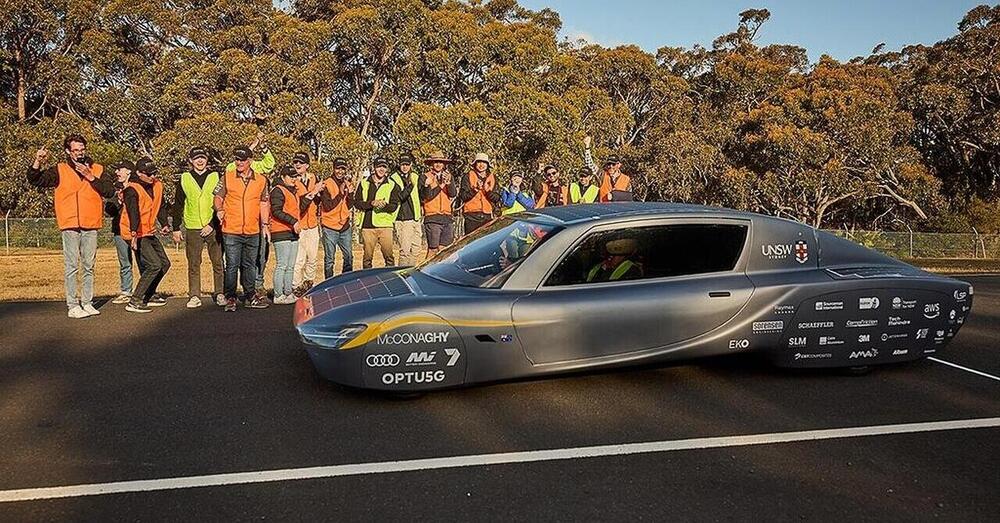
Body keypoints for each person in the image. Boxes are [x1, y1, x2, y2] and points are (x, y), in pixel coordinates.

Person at [27, 134, 115, 318]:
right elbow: (35, 179)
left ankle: (87, 302)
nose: (80, 153)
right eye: (75, 150)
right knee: (72, 265)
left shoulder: (98, 168)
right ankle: (73, 304)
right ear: (68, 151)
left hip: (91, 223)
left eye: (82, 149)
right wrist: (37, 161)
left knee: (89, 265)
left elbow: (109, 190)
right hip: (70, 223)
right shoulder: (60, 169)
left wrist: (90, 176)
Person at [214, 144, 271, 312]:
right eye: (237, 159)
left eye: (242, 159)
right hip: (231, 229)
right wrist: (219, 209)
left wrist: (265, 225)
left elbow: (263, 203)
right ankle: (230, 297)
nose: (239, 162)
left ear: (250, 161)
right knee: (232, 264)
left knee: (249, 265)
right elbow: (217, 197)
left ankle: (250, 295)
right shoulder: (227, 177)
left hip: (253, 230)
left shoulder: (261, 180)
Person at [171, 146, 226, 309]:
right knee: (194, 263)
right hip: (193, 226)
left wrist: (212, 224)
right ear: (191, 161)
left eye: (202, 158)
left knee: (218, 262)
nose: (200, 161)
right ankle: (195, 295)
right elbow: (178, 204)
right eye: (196, 158)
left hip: (213, 226)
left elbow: (221, 201)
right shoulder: (184, 178)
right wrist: (176, 227)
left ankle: (220, 293)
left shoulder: (216, 177)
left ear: (207, 160)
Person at [121, 158, 171, 313]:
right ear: (139, 173)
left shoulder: (157, 185)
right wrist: (134, 234)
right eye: (148, 174)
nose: (152, 176)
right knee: (153, 265)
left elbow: (160, 206)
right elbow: (133, 212)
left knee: (164, 263)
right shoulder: (131, 189)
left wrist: (164, 223)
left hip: (148, 230)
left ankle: (149, 294)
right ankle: (135, 300)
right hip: (134, 231)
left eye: (154, 173)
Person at [270, 165, 313, 304]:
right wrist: (293, 221)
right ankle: (278, 294)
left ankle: (288, 292)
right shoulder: (278, 190)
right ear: (283, 177)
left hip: (293, 232)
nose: (294, 179)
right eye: (291, 176)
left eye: (295, 176)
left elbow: (297, 209)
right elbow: (276, 211)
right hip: (281, 231)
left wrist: (308, 198)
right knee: (282, 264)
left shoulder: (293, 191)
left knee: (291, 265)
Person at [354, 157, 400, 269]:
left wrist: (385, 205)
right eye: (379, 166)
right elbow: (357, 203)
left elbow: (394, 205)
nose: (381, 169)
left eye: (384, 167)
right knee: (367, 258)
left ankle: (390, 278)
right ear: (374, 168)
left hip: (385, 226)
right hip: (367, 226)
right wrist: (371, 203)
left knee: (389, 257)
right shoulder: (364, 183)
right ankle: (367, 280)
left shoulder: (392, 185)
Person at [105, 161, 136, 304]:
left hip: (137, 230)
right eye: (116, 170)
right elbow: (109, 210)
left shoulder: (136, 188)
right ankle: (126, 291)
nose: (117, 172)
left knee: (145, 262)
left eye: (120, 169)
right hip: (119, 230)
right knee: (125, 262)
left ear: (128, 171)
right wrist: (118, 200)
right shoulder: (115, 188)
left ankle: (146, 291)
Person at [291, 151, 322, 295]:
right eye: (295, 162)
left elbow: (318, 200)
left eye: (301, 163)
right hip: (300, 224)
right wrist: (313, 192)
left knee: (313, 257)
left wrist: (319, 192)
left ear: (307, 165)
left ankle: (308, 283)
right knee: (299, 259)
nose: (297, 165)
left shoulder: (313, 178)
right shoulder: (292, 181)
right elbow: (300, 204)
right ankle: (296, 286)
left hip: (313, 224)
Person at [320, 157, 355, 277]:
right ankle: (328, 284)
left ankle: (346, 281)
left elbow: (349, 205)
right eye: (337, 168)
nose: (340, 171)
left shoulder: (347, 184)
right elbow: (327, 206)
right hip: (330, 227)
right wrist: (340, 193)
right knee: (330, 259)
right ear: (333, 168)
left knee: (349, 256)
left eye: (342, 169)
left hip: (345, 226)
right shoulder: (326, 184)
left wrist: (350, 194)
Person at [419, 150, 457, 259]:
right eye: (435, 162)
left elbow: (453, 194)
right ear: (431, 163)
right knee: (433, 250)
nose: (438, 164)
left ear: (444, 164)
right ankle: (425, 271)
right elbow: (426, 196)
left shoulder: (448, 176)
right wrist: (439, 186)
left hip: (447, 217)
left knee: (445, 250)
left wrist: (449, 183)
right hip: (432, 217)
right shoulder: (425, 177)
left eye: (440, 162)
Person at [389, 154, 423, 267]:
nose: (405, 167)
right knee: (405, 251)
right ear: (399, 165)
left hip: (415, 217)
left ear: (411, 165)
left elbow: (420, 194)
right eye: (403, 164)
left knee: (417, 248)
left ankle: (411, 270)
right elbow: (399, 197)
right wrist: (409, 186)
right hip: (402, 218)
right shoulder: (393, 178)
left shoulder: (415, 176)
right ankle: (403, 274)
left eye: (407, 165)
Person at [458, 152, 500, 235]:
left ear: (487, 165)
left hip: (487, 216)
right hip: (471, 216)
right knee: (471, 243)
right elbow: (463, 196)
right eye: (479, 162)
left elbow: (497, 198)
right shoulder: (467, 176)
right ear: (475, 164)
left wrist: (488, 192)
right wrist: (475, 190)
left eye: (484, 162)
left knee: (485, 242)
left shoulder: (493, 178)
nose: (481, 165)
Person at [583, 136, 633, 202]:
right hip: (604, 210)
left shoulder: (626, 179)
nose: (611, 166)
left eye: (613, 164)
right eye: (609, 164)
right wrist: (587, 147)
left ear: (619, 165)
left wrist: (615, 195)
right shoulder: (602, 175)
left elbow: (629, 197)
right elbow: (590, 166)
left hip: (620, 211)